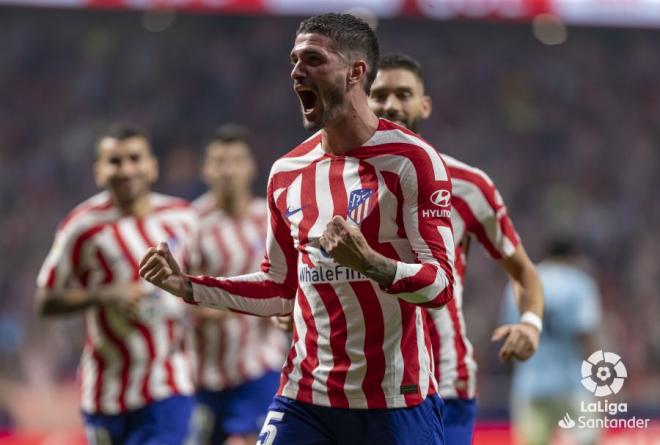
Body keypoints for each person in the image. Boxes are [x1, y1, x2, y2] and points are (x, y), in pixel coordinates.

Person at [140, 13, 455, 445]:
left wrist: (371, 263)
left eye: (312, 59)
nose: (295, 72)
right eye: (293, 60)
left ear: (355, 73)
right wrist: (187, 285)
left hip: (394, 402)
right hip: (305, 398)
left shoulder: (410, 161)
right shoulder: (287, 172)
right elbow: (278, 287)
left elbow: (441, 285)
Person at [367, 53, 544, 444]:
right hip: (361, 384)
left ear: (424, 105)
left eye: (403, 94)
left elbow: (523, 271)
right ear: (363, 100)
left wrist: (531, 323)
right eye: (380, 94)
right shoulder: (331, 178)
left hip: (443, 381)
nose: (391, 105)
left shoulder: (466, 185)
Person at [35, 123, 198, 445]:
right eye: (115, 161)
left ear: (151, 166)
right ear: (99, 171)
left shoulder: (183, 217)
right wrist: (107, 294)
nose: (126, 169)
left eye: (134, 159)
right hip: (106, 394)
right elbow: (45, 301)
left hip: (167, 386)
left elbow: (205, 283)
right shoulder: (82, 226)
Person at [192, 124, 288, 445]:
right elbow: (174, 295)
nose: (228, 170)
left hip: (259, 366)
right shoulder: (190, 224)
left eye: (236, 161)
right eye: (219, 162)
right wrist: (214, 309)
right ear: (206, 169)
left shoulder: (270, 220)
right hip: (203, 376)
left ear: (251, 167)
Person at [501, 237, 602, 445]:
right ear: (572, 257)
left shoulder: (521, 282)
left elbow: (510, 341)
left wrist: (517, 375)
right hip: (572, 385)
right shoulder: (579, 282)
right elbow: (587, 336)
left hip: (530, 386)